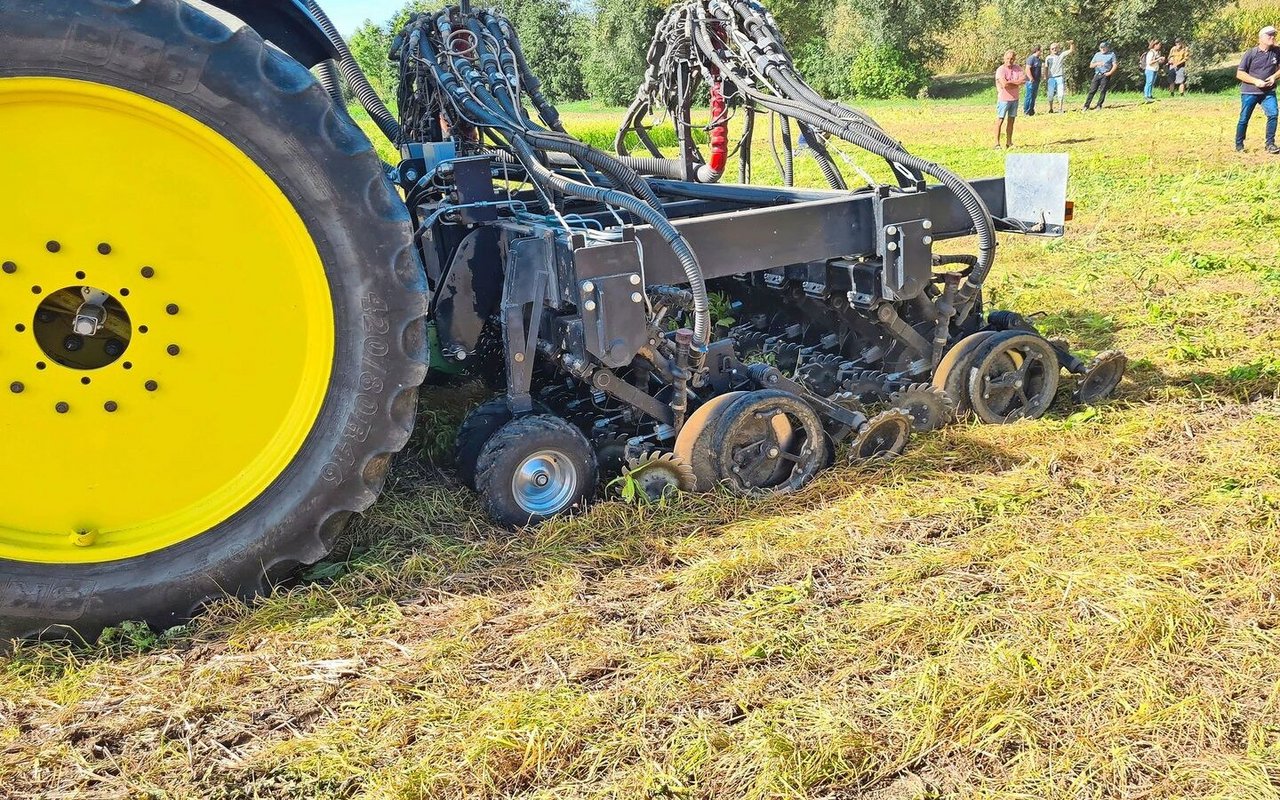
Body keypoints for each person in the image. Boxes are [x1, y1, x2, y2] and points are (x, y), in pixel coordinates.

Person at [1236, 25, 1280, 153]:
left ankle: (1270, 144)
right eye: (1269, 35)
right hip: (1250, 92)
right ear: (1261, 38)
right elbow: (1240, 74)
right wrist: (1256, 81)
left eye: (1274, 35)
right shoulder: (1251, 53)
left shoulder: (1277, 52)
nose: (1272, 37)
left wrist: (1274, 77)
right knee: (1244, 118)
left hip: (1268, 92)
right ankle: (1239, 145)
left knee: (1273, 114)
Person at [995, 49, 1027, 148]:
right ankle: (997, 143)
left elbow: (1023, 80)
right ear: (1004, 58)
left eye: (1012, 58)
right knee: (1000, 120)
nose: (1010, 60)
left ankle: (1009, 142)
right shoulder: (1000, 70)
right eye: (1008, 58)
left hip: (1015, 99)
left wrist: (1011, 83)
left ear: (1014, 59)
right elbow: (1004, 84)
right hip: (1004, 99)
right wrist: (1016, 83)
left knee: (1011, 121)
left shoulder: (1018, 68)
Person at [1083, 41, 1118, 110]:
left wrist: (1110, 72)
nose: (1103, 49)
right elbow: (1091, 65)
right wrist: (1097, 64)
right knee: (1092, 90)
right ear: (1099, 48)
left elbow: (1115, 65)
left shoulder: (1111, 54)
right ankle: (1086, 105)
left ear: (1107, 47)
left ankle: (1099, 105)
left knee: (1103, 90)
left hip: (1105, 74)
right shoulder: (1097, 54)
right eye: (1101, 47)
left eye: (1104, 47)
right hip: (1097, 74)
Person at [1044, 40, 1074, 113]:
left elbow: (1071, 50)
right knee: (1050, 94)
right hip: (1051, 78)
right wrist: (1045, 76)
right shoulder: (1048, 58)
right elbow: (1046, 68)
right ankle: (1050, 108)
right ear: (1050, 50)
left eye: (1055, 48)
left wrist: (1072, 44)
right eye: (1052, 48)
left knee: (1060, 93)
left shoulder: (1061, 55)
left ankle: (1060, 108)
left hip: (1059, 77)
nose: (1054, 50)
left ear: (1058, 48)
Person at [1024, 45, 1043, 115]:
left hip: (1037, 80)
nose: (1041, 52)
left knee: (1034, 96)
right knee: (1029, 96)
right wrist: (1031, 78)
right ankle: (1026, 111)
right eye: (1041, 50)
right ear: (1037, 50)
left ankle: (1031, 110)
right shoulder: (1031, 58)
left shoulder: (1039, 59)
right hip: (1030, 81)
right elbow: (1027, 69)